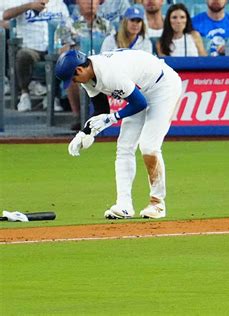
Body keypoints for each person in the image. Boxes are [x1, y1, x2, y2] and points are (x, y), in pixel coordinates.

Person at [55, 49, 182, 220]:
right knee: (124, 147)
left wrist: (112, 119)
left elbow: (139, 104)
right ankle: (124, 205)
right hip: (139, 91)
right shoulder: (87, 76)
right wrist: (84, 132)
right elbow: (101, 110)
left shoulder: (109, 72)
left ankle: (157, 203)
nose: (75, 83)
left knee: (149, 146)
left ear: (79, 70)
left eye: (73, 79)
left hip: (162, 86)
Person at [2, 0, 70, 112]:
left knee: (63, 58)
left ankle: (52, 97)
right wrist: (29, 6)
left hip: (53, 47)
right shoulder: (24, 2)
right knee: (23, 55)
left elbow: (67, 26)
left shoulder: (59, 4)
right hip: (30, 47)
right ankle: (25, 95)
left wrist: (65, 43)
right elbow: (6, 15)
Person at [59, 0, 114, 130]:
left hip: (102, 65)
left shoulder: (106, 25)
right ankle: (79, 116)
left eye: (95, 0)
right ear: (77, 2)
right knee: (72, 73)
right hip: (79, 65)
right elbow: (62, 51)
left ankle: (107, 117)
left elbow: (113, 47)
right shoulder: (68, 24)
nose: (91, 3)